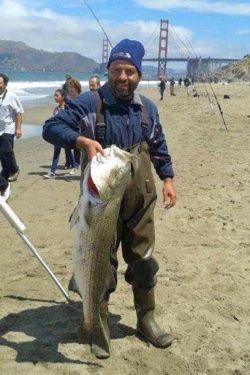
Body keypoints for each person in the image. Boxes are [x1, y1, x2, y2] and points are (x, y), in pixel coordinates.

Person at [43, 39, 176, 352]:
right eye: (118, 70)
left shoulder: (147, 108)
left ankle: (146, 320)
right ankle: (96, 322)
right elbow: (51, 127)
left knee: (143, 259)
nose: (123, 77)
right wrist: (81, 142)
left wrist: (167, 178)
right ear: (108, 70)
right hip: (101, 198)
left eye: (130, 71)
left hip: (140, 195)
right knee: (100, 260)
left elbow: (158, 145)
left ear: (139, 75)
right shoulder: (89, 103)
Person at [44, 89, 76, 179]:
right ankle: (52, 172)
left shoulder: (67, 108)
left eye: (57, 95)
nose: (55, 97)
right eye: (54, 95)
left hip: (66, 133)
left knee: (68, 151)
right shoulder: (56, 110)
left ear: (63, 97)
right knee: (56, 152)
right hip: (57, 134)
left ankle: (73, 166)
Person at [0, 73, 23, 182]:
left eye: (0, 83)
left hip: (8, 127)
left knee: (7, 150)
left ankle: (14, 169)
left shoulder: (11, 96)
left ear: (5, 84)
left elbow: (18, 113)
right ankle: (6, 170)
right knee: (1, 152)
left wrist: (18, 129)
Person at [66, 79, 82, 168]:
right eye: (69, 87)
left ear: (77, 88)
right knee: (67, 144)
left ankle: (76, 162)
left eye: (72, 87)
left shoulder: (81, 99)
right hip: (70, 125)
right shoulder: (69, 101)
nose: (70, 89)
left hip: (79, 126)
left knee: (77, 145)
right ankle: (68, 162)